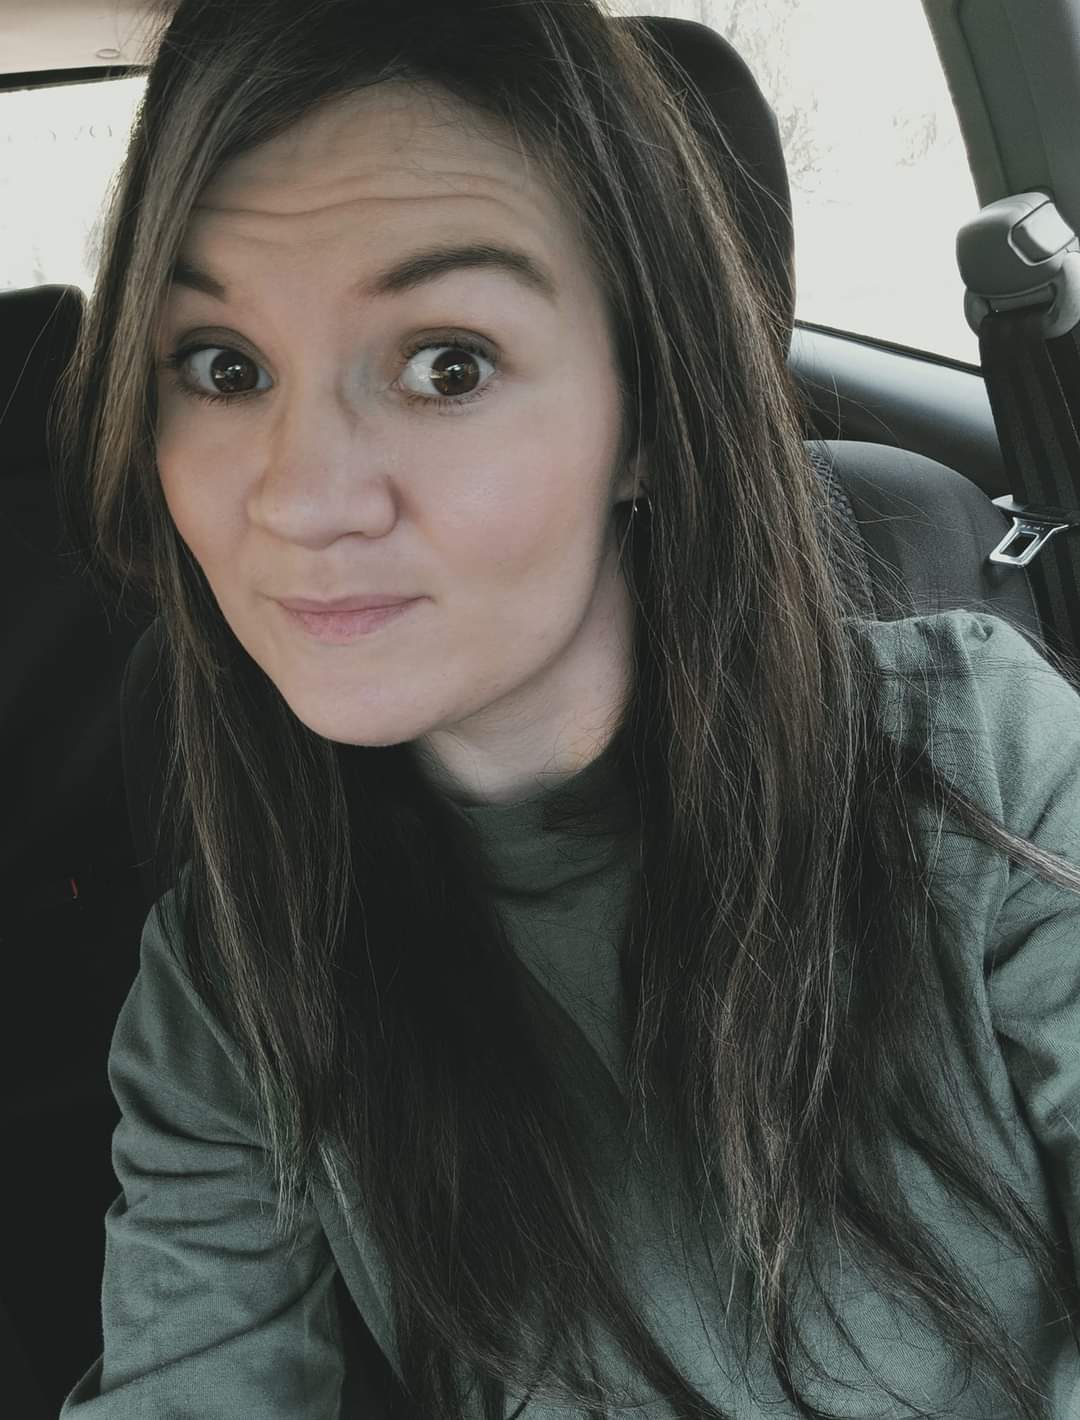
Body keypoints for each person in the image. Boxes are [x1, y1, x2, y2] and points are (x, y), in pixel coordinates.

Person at [54, 1, 1080, 1416]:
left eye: (448, 364)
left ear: (645, 416)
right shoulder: (231, 981)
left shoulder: (983, 764)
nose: (300, 500)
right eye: (224, 367)